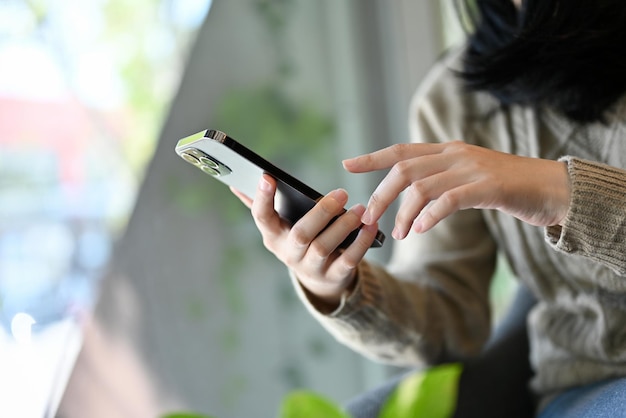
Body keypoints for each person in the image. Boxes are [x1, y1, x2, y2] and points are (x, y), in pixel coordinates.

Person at [232, 0, 626, 416]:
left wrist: (563, 193)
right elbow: (449, 316)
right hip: (585, 387)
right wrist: (335, 287)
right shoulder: (456, 99)